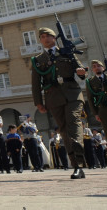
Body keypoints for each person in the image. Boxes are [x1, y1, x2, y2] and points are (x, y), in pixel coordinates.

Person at [31, 27, 87, 179]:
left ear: (54, 38)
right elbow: (35, 83)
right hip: (53, 97)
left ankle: (80, 164)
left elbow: (80, 71)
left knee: (73, 122)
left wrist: (82, 72)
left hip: (72, 93)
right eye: (42, 37)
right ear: (40, 40)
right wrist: (38, 102)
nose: (46, 39)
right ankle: (75, 165)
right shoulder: (38, 60)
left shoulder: (66, 52)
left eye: (48, 36)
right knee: (63, 129)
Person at [86, 59, 107, 149]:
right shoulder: (90, 82)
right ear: (92, 70)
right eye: (94, 67)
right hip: (103, 110)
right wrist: (95, 113)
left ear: (103, 68)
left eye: (98, 66)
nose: (97, 68)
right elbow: (90, 99)